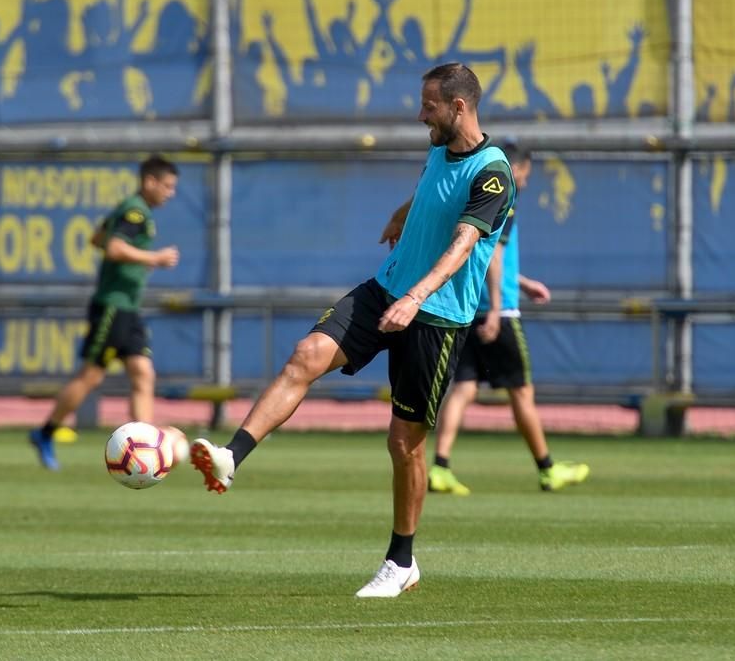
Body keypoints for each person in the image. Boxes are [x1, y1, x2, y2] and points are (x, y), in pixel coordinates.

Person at [190, 63, 515, 598]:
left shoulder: (492, 173)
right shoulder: (440, 149)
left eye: (429, 105)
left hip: (435, 317)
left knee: (404, 444)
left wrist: (415, 298)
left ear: (459, 107)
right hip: (385, 289)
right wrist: (402, 215)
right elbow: (434, 193)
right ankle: (231, 456)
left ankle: (402, 562)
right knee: (306, 354)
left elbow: (463, 244)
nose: (420, 115)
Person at [428, 144, 590, 496]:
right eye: (526, 175)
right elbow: (496, 256)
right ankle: (547, 469)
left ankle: (440, 467)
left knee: (464, 388)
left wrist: (523, 282)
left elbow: (478, 254)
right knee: (521, 391)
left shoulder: (472, 195)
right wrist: (498, 309)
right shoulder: (506, 197)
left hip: (467, 308)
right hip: (496, 312)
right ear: (514, 169)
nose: (525, 183)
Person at [29, 156, 180, 470]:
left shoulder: (131, 208)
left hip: (128, 307)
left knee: (143, 373)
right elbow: (113, 248)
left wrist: (130, 257)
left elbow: (98, 237)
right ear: (149, 181)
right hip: (113, 306)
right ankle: (45, 432)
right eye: (167, 186)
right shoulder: (135, 212)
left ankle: (144, 451)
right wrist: (153, 258)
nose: (171, 193)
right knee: (92, 375)